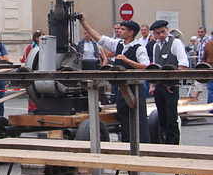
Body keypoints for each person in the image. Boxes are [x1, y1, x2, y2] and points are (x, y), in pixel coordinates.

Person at [79, 14, 150, 143]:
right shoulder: (118, 44)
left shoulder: (139, 48)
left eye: (123, 29)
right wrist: (83, 23)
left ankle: (143, 147)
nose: (119, 31)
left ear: (131, 33)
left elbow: (145, 66)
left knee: (138, 119)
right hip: (121, 88)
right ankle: (127, 146)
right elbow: (99, 38)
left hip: (135, 88)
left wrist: (126, 60)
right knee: (124, 119)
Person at [148, 20, 189, 145]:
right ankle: (166, 144)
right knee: (162, 118)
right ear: (154, 34)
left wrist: (173, 81)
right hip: (160, 86)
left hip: (171, 87)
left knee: (171, 118)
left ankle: (174, 146)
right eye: (157, 33)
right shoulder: (155, 46)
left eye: (163, 32)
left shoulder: (175, 43)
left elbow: (183, 64)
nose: (161, 35)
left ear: (167, 29)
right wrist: (152, 85)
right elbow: (155, 68)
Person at [192, 27, 212, 99]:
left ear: (205, 32)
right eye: (198, 32)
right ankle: (193, 101)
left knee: (210, 89)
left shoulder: (209, 40)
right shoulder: (199, 41)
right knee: (198, 84)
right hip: (201, 65)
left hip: (208, 66)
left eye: (201, 32)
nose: (200, 33)